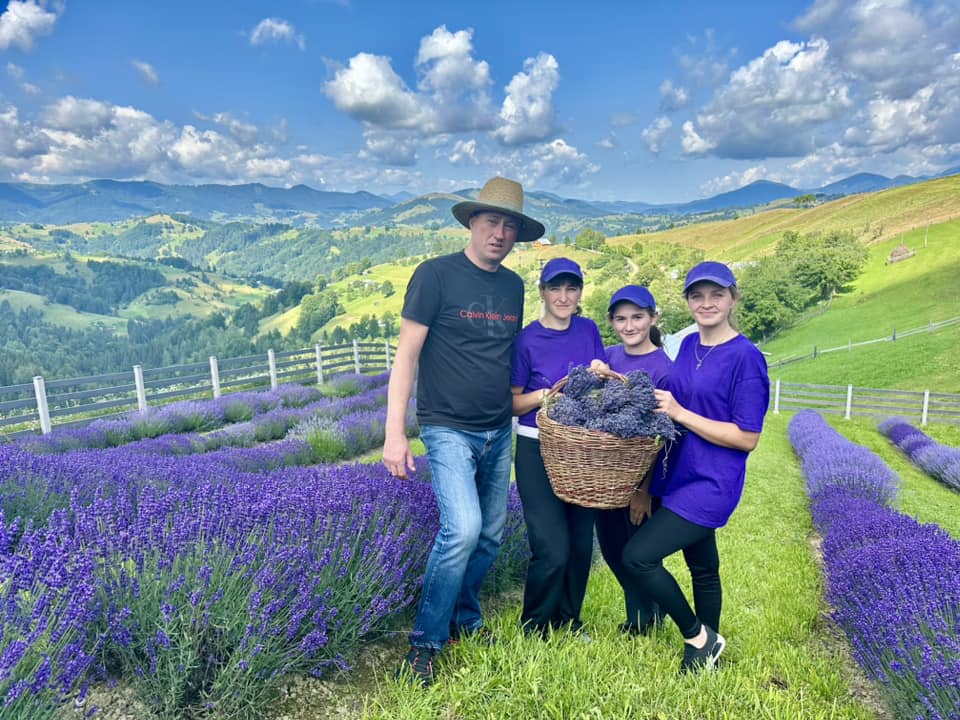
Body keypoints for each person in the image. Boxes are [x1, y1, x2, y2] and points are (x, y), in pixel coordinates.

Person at [383, 177, 545, 686]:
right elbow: (406, 357)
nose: (500, 233)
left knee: (491, 537)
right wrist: (395, 433)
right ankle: (425, 645)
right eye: (492, 221)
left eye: (510, 225)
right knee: (464, 530)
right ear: (471, 222)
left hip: (499, 428)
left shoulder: (514, 287)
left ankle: (464, 621)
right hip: (448, 427)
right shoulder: (434, 277)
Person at [621, 261, 770, 673]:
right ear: (688, 301)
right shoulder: (687, 347)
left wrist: (683, 413)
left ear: (733, 298)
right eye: (697, 295)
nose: (707, 303)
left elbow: (747, 437)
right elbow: (663, 407)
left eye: (716, 294)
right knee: (703, 567)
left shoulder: (747, 358)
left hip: (712, 482)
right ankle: (709, 652)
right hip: (677, 475)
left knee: (638, 557)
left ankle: (697, 636)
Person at [510, 257, 607, 640]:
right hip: (537, 449)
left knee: (581, 543)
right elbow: (513, 404)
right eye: (556, 288)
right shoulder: (526, 340)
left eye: (571, 288)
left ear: (580, 293)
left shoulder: (588, 330)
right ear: (542, 292)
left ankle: (569, 619)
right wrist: (547, 395)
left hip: (581, 450)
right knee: (551, 546)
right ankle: (535, 626)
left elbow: (598, 386)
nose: (564, 297)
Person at [593, 285, 673, 636]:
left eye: (638, 317)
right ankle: (649, 611)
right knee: (611, 550)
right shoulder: (609, 358)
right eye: (621, 319)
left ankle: (642, 620)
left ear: (653, 318)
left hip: (641, 480)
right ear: (612, 322)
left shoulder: (665, 369)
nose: (630, 326)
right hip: (608, 477)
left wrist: (643, 490)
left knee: (636, 553)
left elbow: (662, 436)